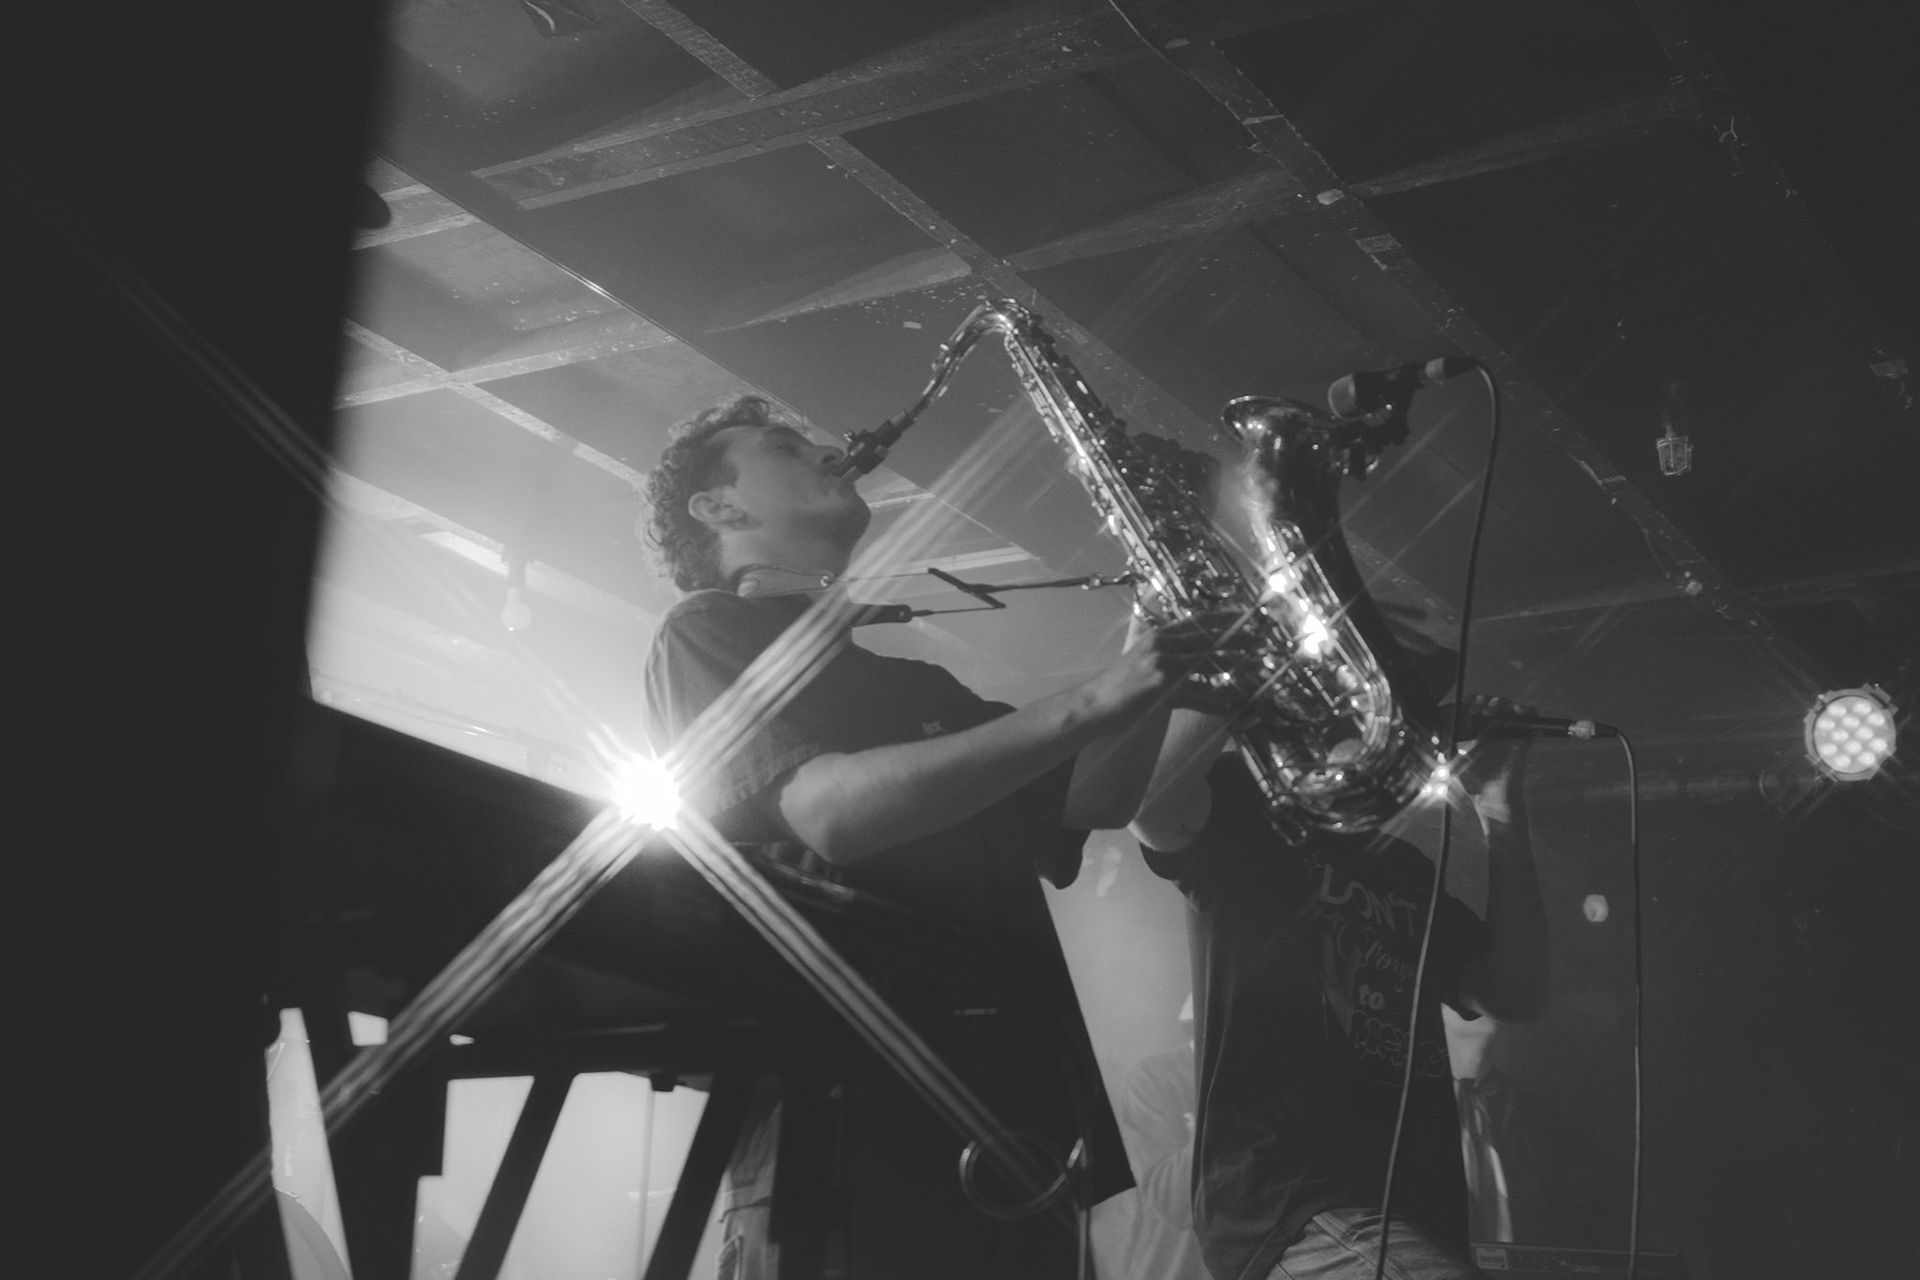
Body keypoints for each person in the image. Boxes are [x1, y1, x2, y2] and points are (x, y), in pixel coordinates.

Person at [636, 395, 1220, 1279]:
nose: (828, 448)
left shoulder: (914, 686)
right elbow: (831, 813)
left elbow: (1096, 795)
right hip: (848, 1126)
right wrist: (1099, 698)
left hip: (1017, 1124)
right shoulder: (705, 630)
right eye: (785, 446)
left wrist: (1166, 631)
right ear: (718, 508)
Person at [1129, 698, 1550, 1280]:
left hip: (1410, 1209)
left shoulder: (1403, 867)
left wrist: (1500, 806)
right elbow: (1151, 800)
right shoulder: (1246, 814)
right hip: (1292, 1201)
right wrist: (1241, 670)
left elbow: (1511, 992)